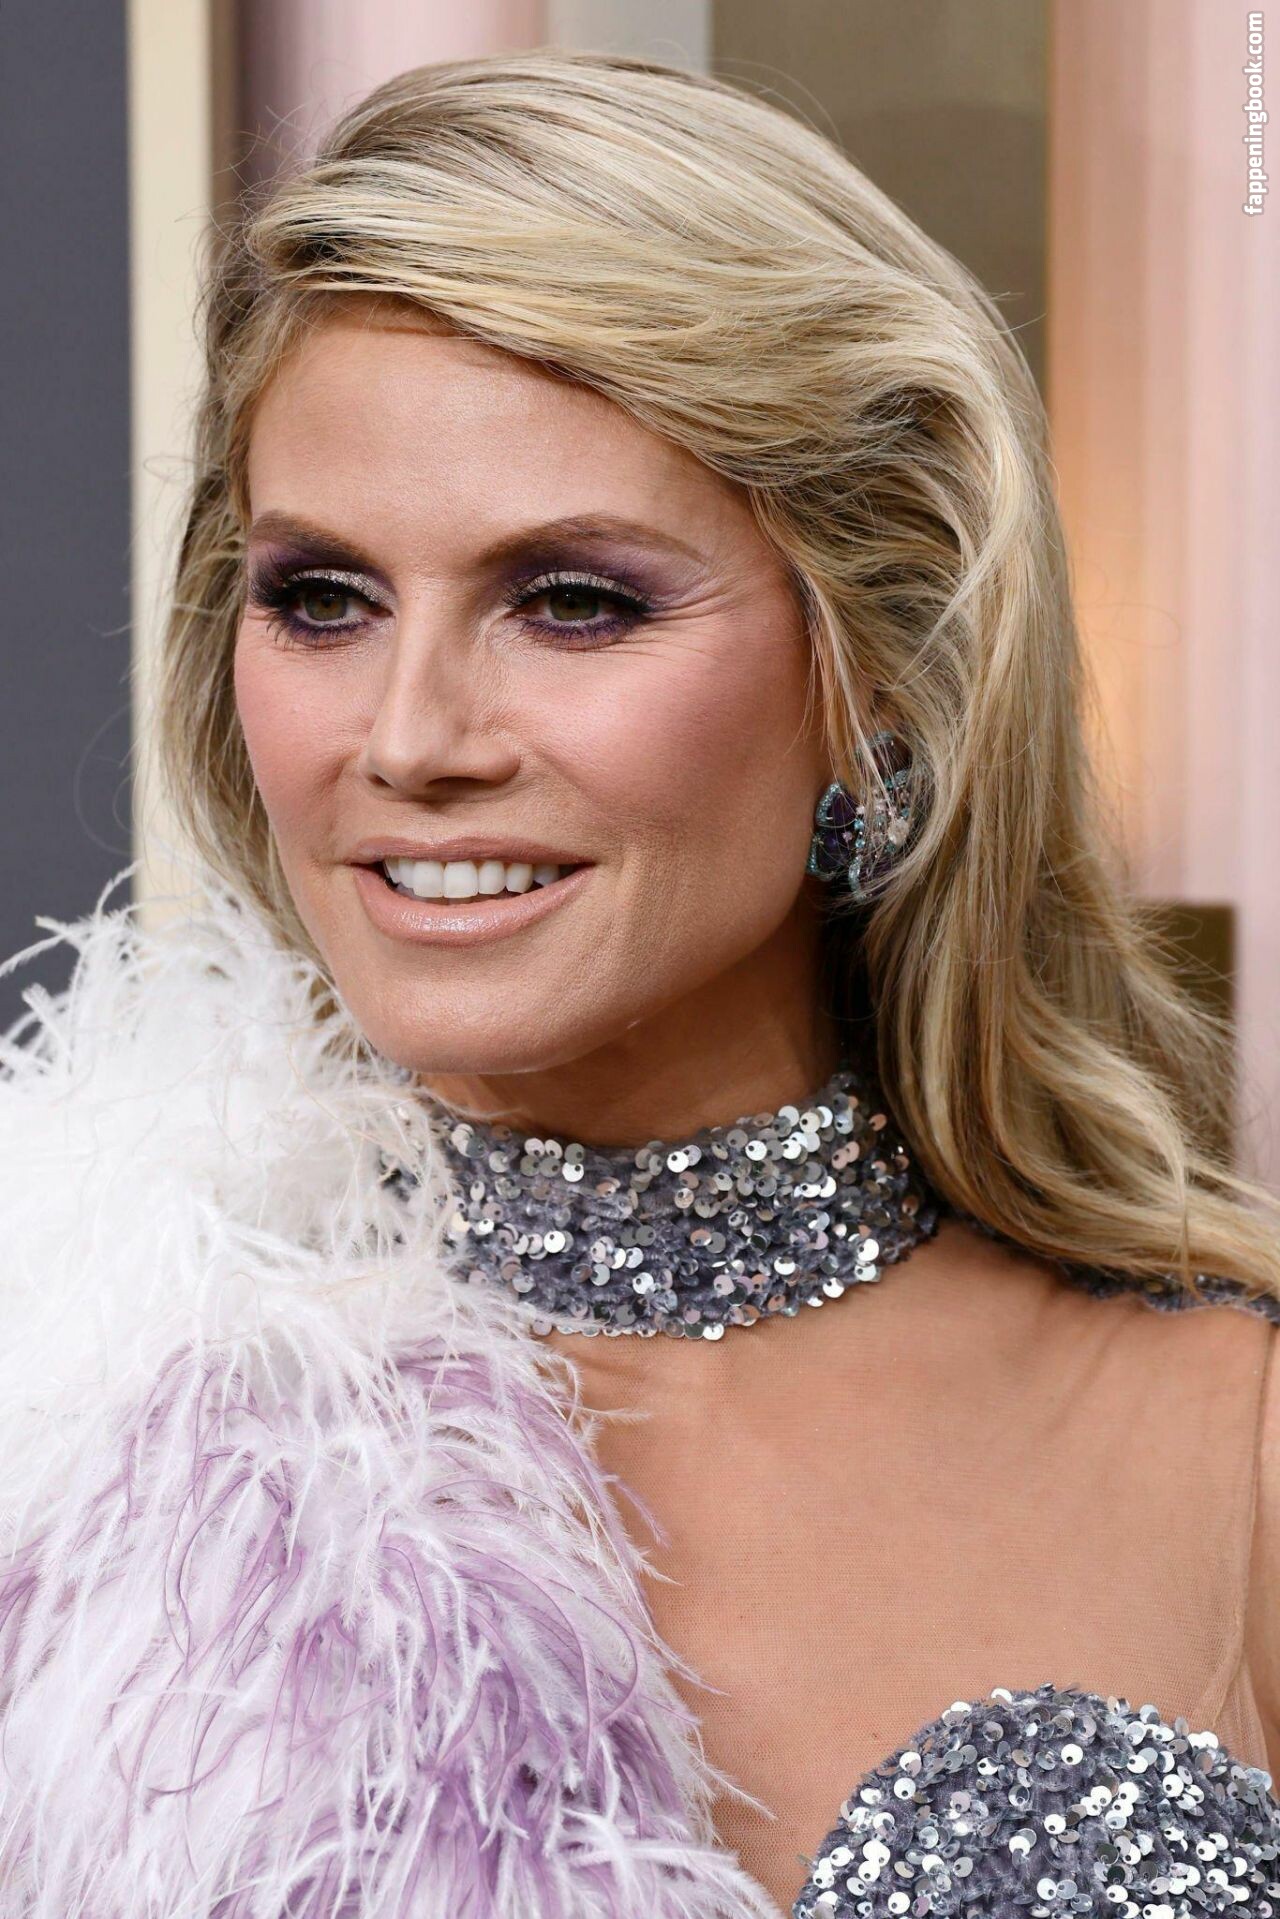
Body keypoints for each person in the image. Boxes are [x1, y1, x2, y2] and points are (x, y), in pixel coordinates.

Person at [1, 45, 1278, 1919]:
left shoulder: (1232, 1441)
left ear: (883, 669)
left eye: (573, 601)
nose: (409, 737)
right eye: (323, 600)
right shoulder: (69, 1419)